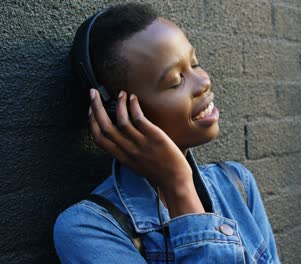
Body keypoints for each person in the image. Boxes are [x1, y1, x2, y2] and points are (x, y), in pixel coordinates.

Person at [53, 3, 280, 264]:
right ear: (118, 112)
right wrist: (177, 184)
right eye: (175, 81)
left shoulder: (237, 185)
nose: (204, 81)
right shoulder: (88, 228)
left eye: (195, 64)